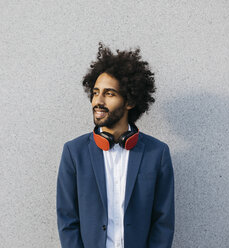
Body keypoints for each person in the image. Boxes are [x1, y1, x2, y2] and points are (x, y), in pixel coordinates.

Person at [56, 42, 175, 248]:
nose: (97, 101)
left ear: (129, 102)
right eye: (95, 93)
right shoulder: (74, 152)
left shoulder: (158, 153)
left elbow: (163, 221)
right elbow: (67, 219)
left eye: (109, 94)